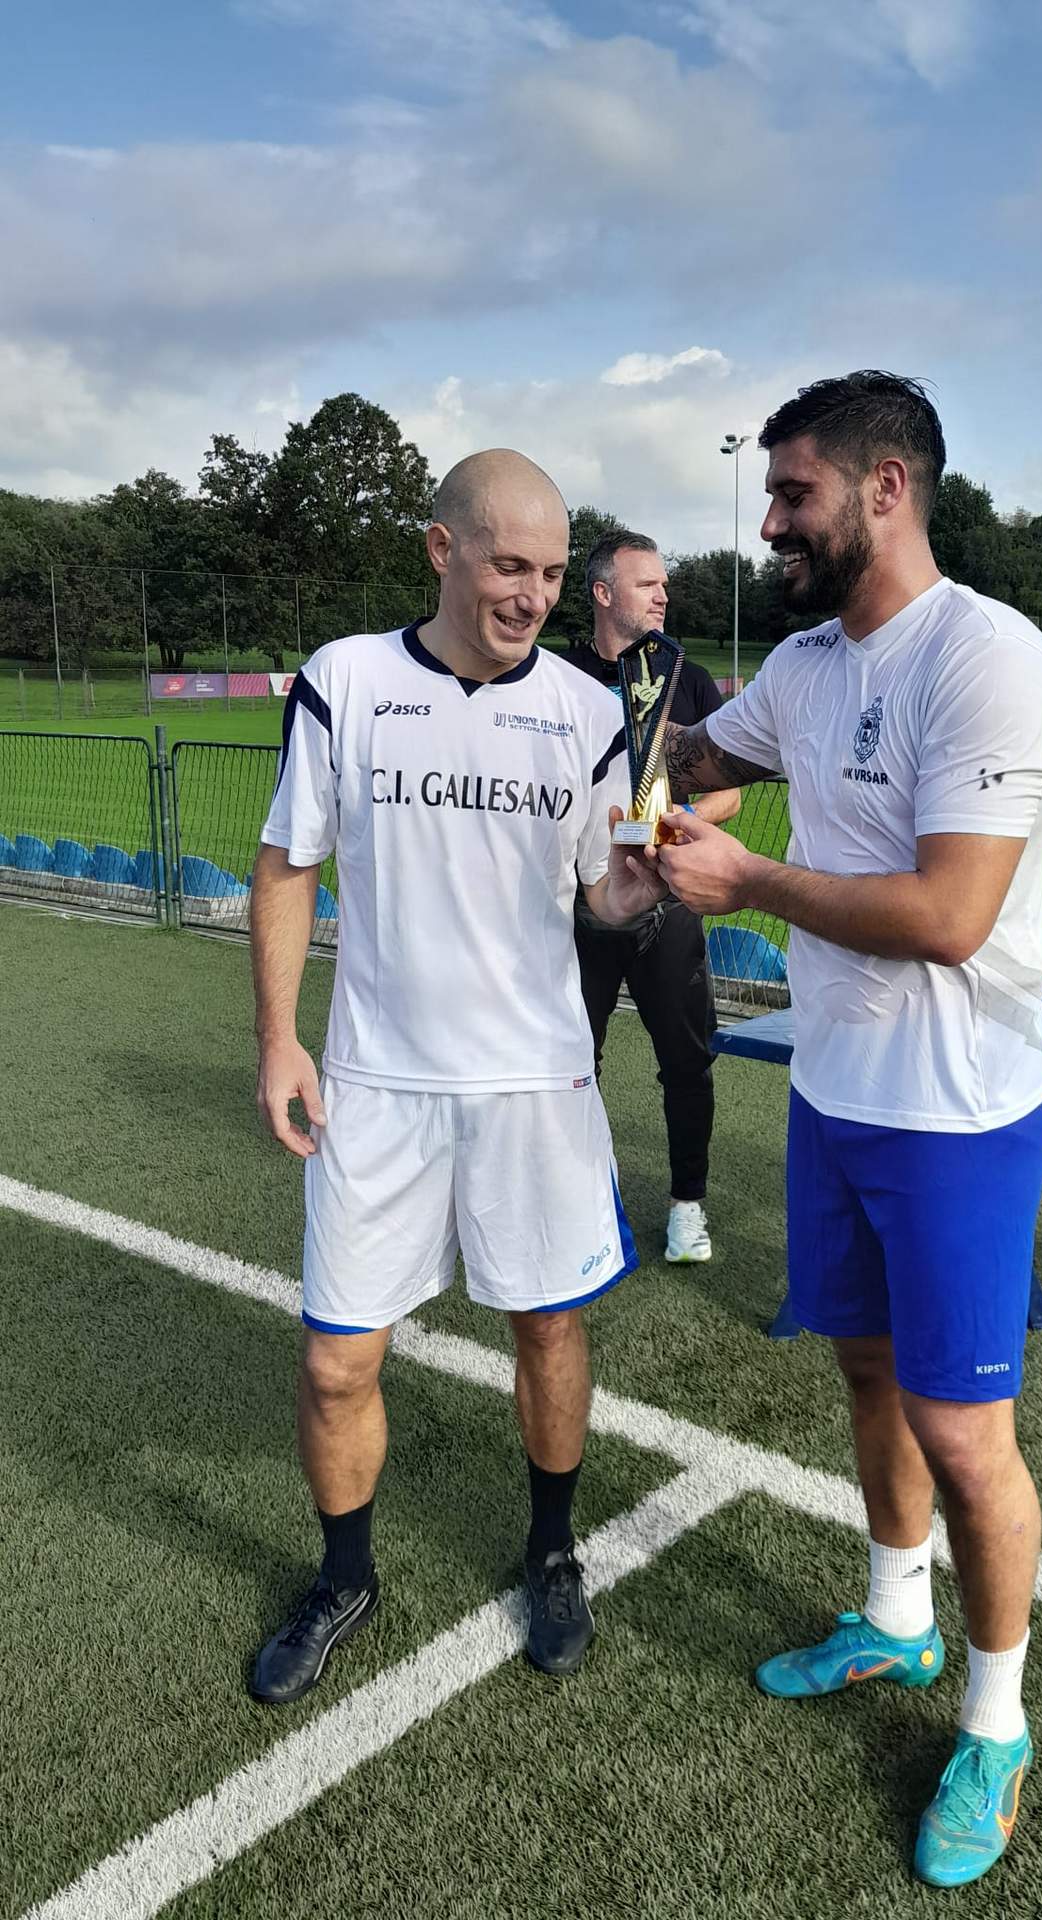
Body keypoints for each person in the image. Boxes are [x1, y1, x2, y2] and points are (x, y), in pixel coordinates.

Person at [657, 372, 1042, 1888]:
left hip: (959, 1113)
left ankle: (996, 1725)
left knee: (964, 1434)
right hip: (834, 1087)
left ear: (885, 489)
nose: (771, 522)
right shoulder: (807, 663)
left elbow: (952, 916)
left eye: (795, 494)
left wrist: (748, 881)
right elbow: (695, 755)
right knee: (865, 1370)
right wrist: (566, 709)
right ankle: (898, 1619)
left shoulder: (988, 657)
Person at [248, 449, 663, 1702]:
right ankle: (345, 1576)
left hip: (536, 1085)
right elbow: (289, 865)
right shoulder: (347, 682)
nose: (533, 595)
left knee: (548, 1325)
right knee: (337, 1359)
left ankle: (553, 1551)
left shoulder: (589, 711)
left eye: (553, 573)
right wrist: (278, 1039)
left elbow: (604, 892)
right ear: (441, 549)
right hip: (378, 1084)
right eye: (509, 565)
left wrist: (640, 888)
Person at [568, 531, 740, 1263]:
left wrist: (672, 824)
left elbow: (730, 792)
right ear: (603, 593)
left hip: (665, 897)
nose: (664, 595)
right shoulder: (558, 675)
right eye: (648, 584)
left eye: (665, 583)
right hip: (580, 902)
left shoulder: (687, 678)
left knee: (687, 1060)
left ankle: (686, 1207)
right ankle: (584, 1196)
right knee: (573, 1061)